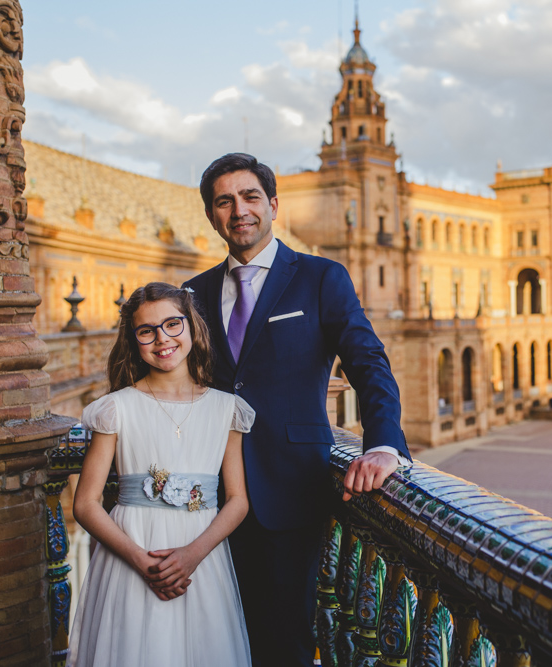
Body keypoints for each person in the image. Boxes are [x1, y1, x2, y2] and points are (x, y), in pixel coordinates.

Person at [183, 153, 412, 667]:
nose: (238, 210)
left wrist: (383, 445)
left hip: (289, 492)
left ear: (273, 206)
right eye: (224, 201)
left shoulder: (319, 277)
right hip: (205, 497)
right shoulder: (193, 294)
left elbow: (367, 360)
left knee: (285, 642)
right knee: (214, 638)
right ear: (211, 216)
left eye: (249, 197)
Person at [69, 283, 252, 666]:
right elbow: (85, 504)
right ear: (134, 339)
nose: (162, 338)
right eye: (146, 330)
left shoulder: (227, 409)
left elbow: (237, 501)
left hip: (200, 557)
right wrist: (140, 559)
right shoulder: (116, 409)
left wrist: (192, 555)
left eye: (172, 324)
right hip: (132, 554)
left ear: (192, 327)